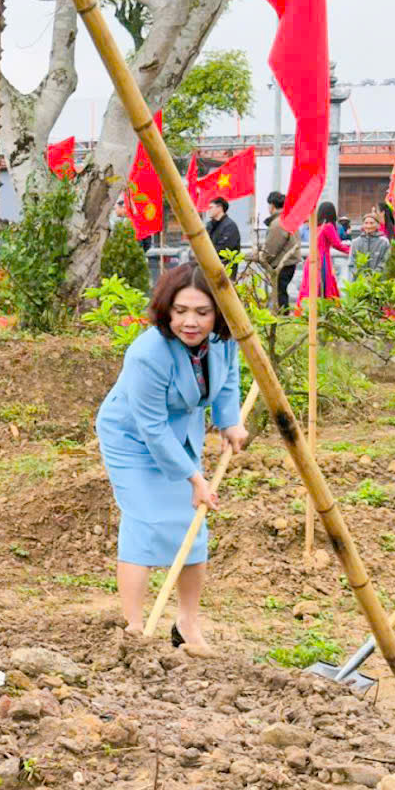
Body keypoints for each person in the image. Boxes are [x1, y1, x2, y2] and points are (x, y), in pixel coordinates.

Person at [94, 265, 245, 654]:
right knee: (144, 520)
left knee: (191, 524)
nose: (190, 322)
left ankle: (187, 624)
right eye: (180, 311)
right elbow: (152, 427)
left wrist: (229, 422)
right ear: (167, 310)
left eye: (202, 312)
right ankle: (133, 629)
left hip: (180, 432)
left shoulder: (223, 341)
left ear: (218, 313)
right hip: (132, 438)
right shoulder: (148, 354)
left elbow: (228, 379)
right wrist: (194, 478)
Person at [252, 191, 302, 311]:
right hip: (289, 262)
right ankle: (283, 314)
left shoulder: (278, 223)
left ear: (272, 205)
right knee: (281, 292)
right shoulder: (288, 218)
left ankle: (282, 316)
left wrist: (261, 257)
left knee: (280, 294)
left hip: (282, 264)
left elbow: (271, 248)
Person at [294, 200, 348, 309]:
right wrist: (352, 250)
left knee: (309, 286)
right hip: (322, 260)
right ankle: (326, 310)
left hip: (311, 259)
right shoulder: (328, 226)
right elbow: (337, 244)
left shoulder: (315, 226)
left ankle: (305, 310)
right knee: (324, 286)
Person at [348, 213, 392, 279]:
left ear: (378, 225)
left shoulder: (384, 242)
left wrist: (374, 275)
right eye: (366, 223)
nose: (368, 226)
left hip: (378, 280)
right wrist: (361, 276)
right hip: (359, 281)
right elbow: (352, 263)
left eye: (372, 223)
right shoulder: (356, 242)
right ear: (363, 225)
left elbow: (385, 261)